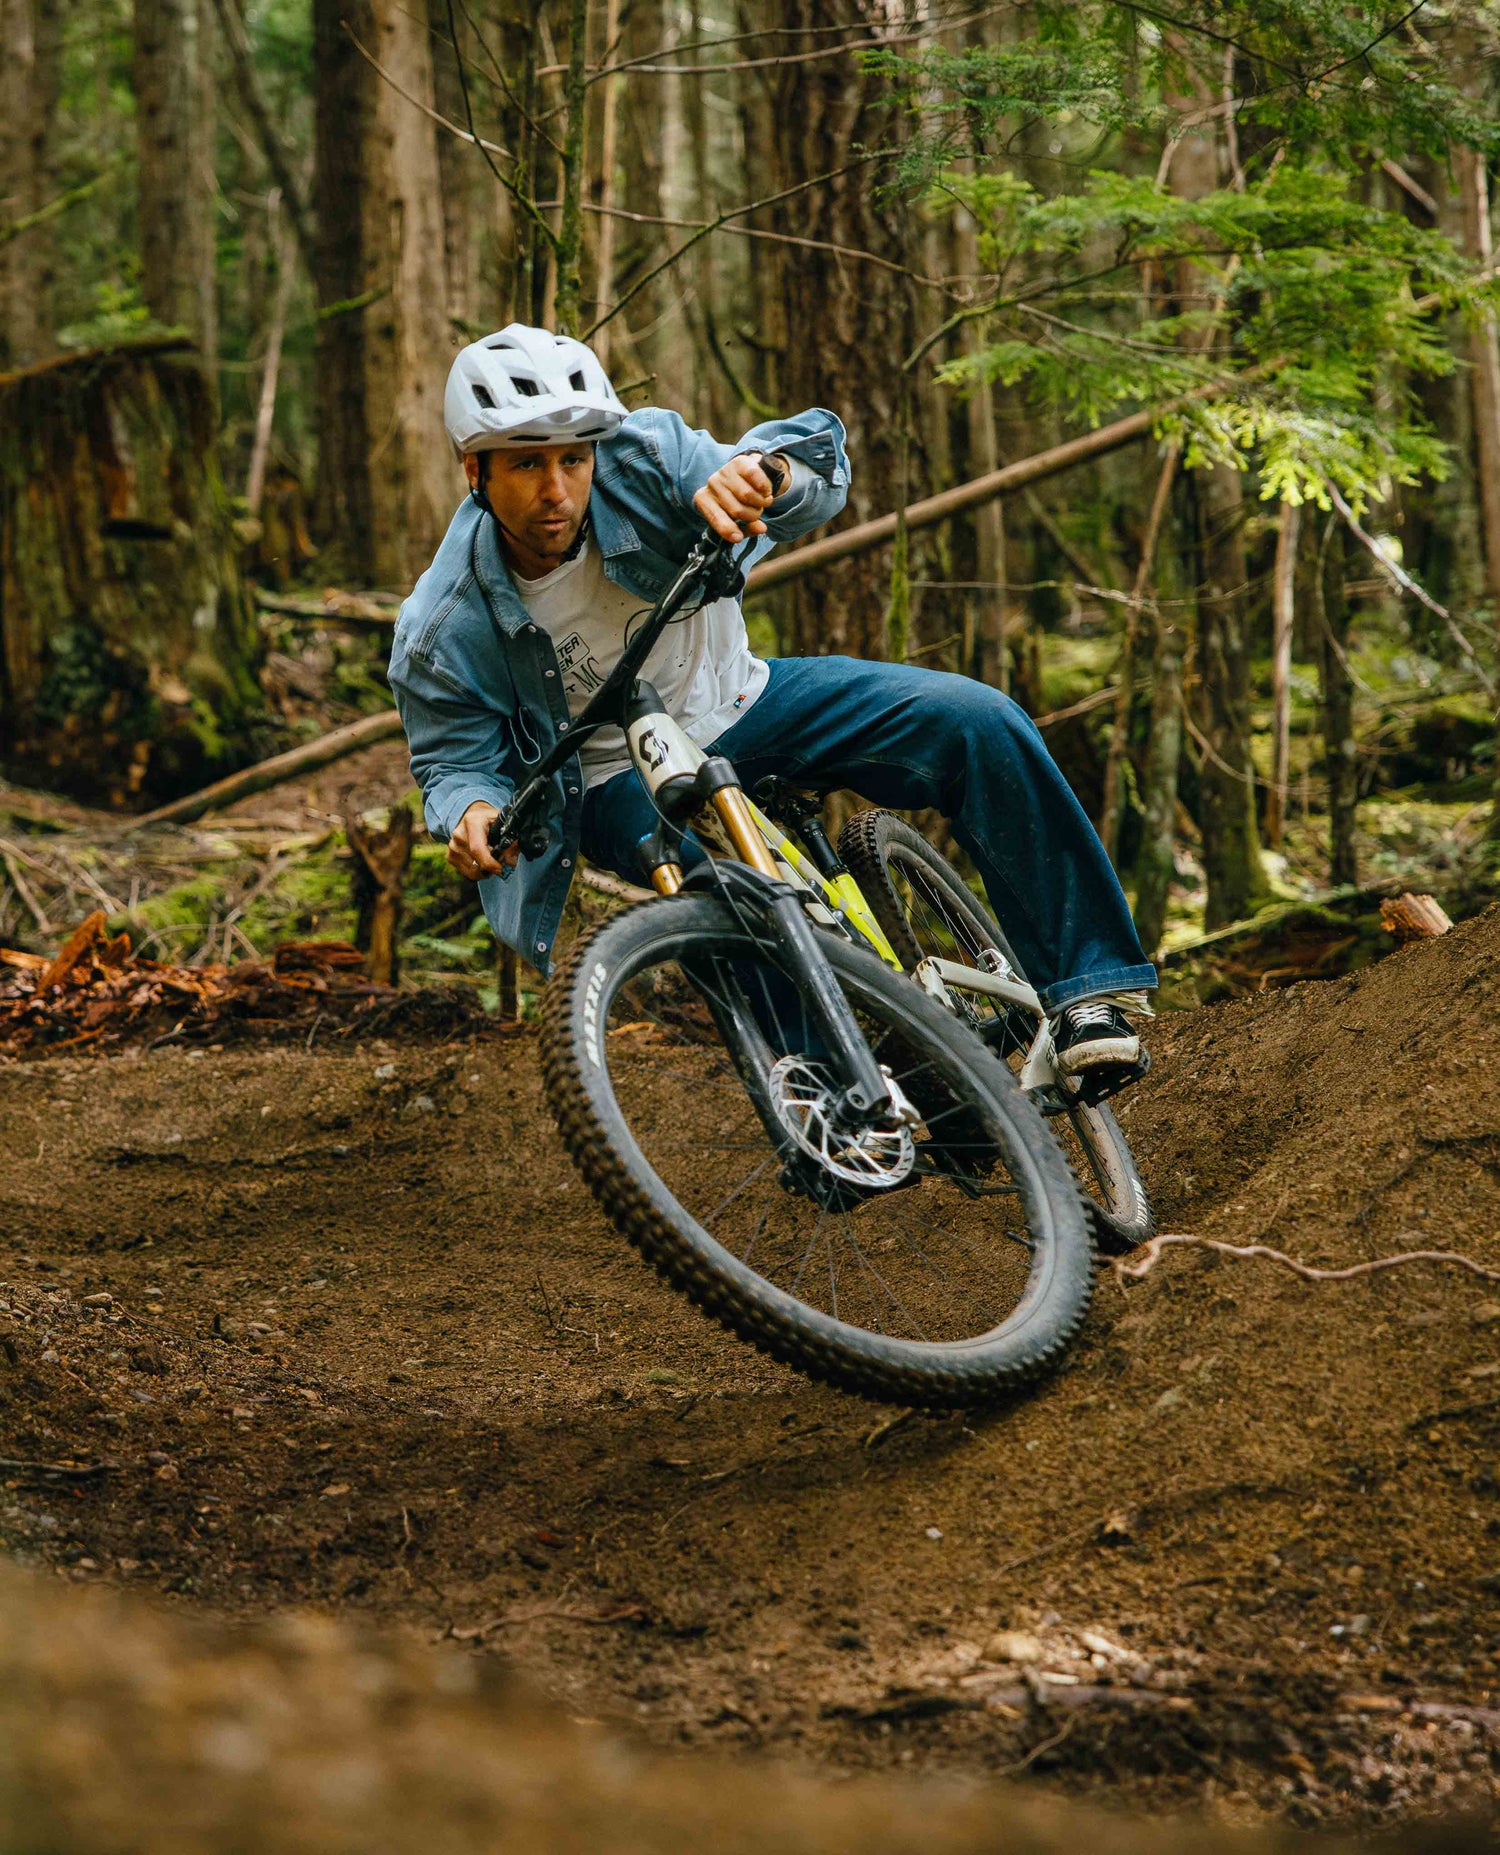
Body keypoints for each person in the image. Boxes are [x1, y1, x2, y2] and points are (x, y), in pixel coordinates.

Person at [388, 324, 1156, 1096]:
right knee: (726, 903)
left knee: (975, 720)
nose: (557, 489)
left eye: (572, 460)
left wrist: (766, 475)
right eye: (526, 463)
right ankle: (830, 1105)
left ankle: (1089, 996)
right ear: (474, 470)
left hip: (741, 700)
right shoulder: (440, 628)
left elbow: (814, 463)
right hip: (613, 780)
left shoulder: (646, 457)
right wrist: (473, 810)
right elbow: (453, 761)